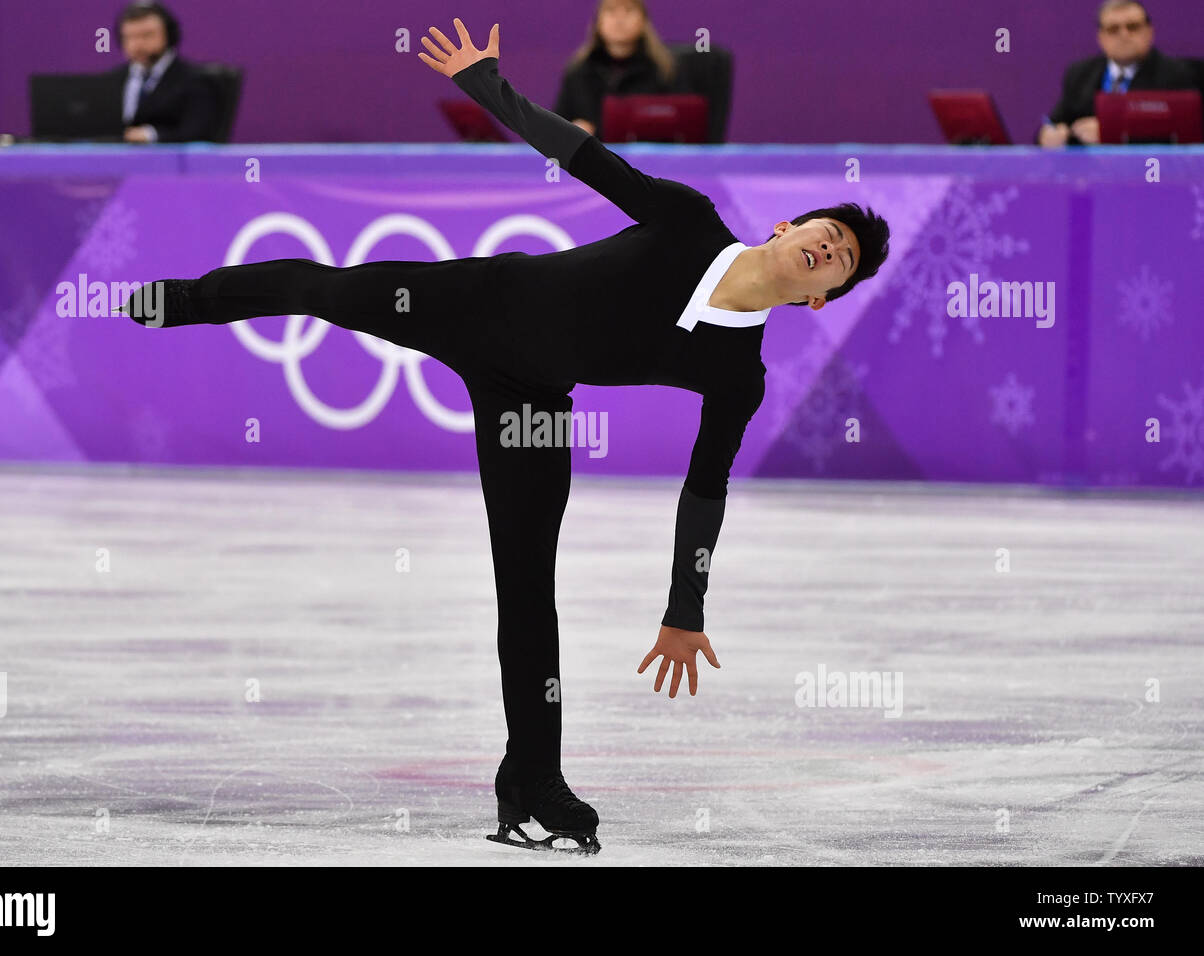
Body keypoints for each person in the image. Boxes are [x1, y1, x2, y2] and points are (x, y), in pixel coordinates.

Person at [121, 18, 890, 854]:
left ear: (824, 297)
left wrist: (683, 609)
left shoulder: (739, 375)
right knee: (323, 287)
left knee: (528, 591)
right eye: (825, 231)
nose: (828, 246)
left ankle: (533, 787)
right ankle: (183, 301)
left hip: (530, 401)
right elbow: (581, 152)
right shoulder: (689, 221)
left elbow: (706, 490)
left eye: (843, 257)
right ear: (786, 229)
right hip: (477, 302)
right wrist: (485, 82)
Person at [1037, 0, 1197, 147]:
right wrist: (1048, 135)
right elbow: (1056, 122)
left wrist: (1110, 133)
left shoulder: (1179, 75)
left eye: (1132, 27)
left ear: (1149, 31)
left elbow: (1180, 134)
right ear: (1101, 37)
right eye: (1113, 29)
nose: (1124, 35)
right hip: (1091, 173)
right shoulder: (1080, 74)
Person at [554, 0, 679, 137]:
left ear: (643, 21)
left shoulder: (664, 69)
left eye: (629, 10)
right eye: (611, 10)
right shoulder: (578, 72)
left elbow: (683, 119)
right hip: (593, 155)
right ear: (598, 22)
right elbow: (556, 127)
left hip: (649, 155)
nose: (620, 19)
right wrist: (573, 129)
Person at [111, 1, 217, 143]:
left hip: (167, 161)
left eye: (147, 35)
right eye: (130, 37)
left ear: (168, 34)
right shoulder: (112, 80)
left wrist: (150, 135)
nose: (137, 44)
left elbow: (198, 133)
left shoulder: (194, 81)